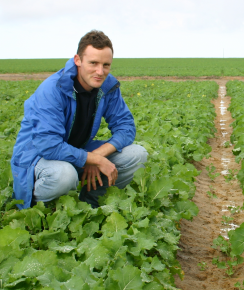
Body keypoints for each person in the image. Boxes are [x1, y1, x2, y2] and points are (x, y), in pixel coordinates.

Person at [10, 30, 148, 209]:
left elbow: (126, 127)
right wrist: (90, 159)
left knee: (137, 155)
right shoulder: (52, 89)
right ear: (78, 60)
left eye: (106, 65)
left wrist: (95, 156)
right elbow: (49, 145)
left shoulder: (107, 86)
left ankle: (90, 204)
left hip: (76, 149)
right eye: (93, 63)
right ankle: (38, 210)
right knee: (64, 175)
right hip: (37, 156)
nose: (100, 71)